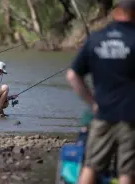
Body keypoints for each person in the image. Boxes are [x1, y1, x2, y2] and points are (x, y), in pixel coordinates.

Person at [66, 1, 135, 184]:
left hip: (102, 114)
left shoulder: (96, 38)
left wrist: (92, 102)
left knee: (91, 166)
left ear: (116, 12)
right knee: (127, 172)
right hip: (131, 118)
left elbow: (73, 75)